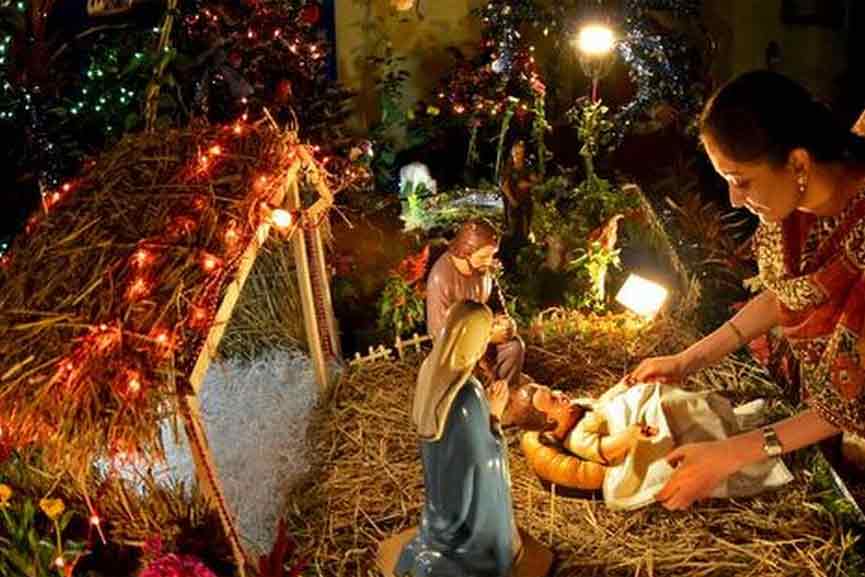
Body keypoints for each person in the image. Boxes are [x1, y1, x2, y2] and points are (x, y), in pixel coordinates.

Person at [627, 70, 865, 510]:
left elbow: (851, 402)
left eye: (742, 180)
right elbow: (782, 294)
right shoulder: (796, 203)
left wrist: (731, 454)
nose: (734, 200)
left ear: (798, 163)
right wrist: (688, 360)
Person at [393, 301, 550, 577]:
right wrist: (495, 415)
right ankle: (485, 554)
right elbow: (485, 462)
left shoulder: (430, 371)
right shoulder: (467, 395)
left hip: (439, 506)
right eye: (484, 336)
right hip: (470, 519)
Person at [425, 221, 525, 387]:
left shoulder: (482, 269)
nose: (489, 261)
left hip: (484, 335)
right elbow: (440, 334)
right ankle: (483, 398)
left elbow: (494, 298)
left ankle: (506, 393)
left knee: (513, 347)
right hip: (458, 348)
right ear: (465, 253)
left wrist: (502, 320)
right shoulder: (441, 278)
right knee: (471, 374)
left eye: (491, 255)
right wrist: (485, 338)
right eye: (483, 256)